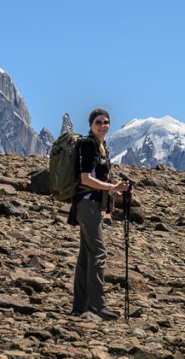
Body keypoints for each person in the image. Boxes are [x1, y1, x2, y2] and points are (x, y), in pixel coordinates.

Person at [68, 108, 129, 320]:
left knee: (86, 255)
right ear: (91, 124)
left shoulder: (102, 147)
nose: (103, 125)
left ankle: (80, 306)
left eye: (106, 122)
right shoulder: (88, 144)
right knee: (98, 253)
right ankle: (97, 305)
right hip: (87, 205)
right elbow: (85, 178)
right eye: (98, 122)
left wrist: (114, 188)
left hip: (93, 205)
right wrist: (109, 188)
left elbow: (97, 180)